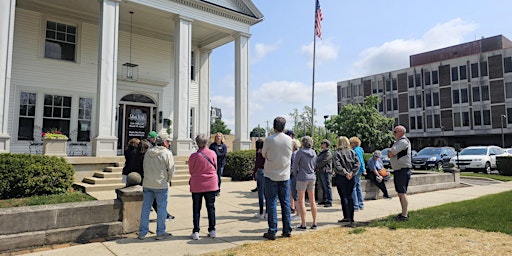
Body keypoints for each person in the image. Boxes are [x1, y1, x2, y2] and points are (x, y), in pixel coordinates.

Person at [261, 117, 293, 240]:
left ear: (274, 126)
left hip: (271, 174)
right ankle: (287, 229)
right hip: (284, 174)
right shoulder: (289, 140)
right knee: (285, 202)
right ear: (284, 127)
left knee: (271, 202)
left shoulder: (269, 139)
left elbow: (263, 154)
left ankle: (272, 230)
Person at [138, 136, 175, 240]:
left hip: (148, 183)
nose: (168, 143)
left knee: (146, 208)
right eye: (168, 141)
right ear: (164, 143)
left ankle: (142, 232)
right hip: (161, 184)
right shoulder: (167, 153)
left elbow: (144, 167)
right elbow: (171, 170)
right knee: (161, 208)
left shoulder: (148, 153)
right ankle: (160, 232)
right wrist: (168, 180)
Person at [188, 134, 219, 240]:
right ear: (207, 142)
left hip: (197, 183)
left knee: (196, 208)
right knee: (211, 207)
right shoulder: (213, 153)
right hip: (211, 183)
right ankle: (212, 230)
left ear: (197, 143)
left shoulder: (193, 156)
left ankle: (196, 231)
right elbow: (216, 167)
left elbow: (191, 171)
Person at [333, 136, 360, 226]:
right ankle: (351, 217)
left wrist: (345, 173)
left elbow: (337, 165)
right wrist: (351, 173)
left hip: (341, 176)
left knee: (343, 196)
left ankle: (346, 216)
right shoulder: (352, 152)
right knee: (350, 196)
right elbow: (357, 164)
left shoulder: (337, 153)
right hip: (351, 176)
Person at [292, 136, 318, 230]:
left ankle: (303, 224)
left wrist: (295, 175)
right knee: (312, 200)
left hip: (302, 177)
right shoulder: (313, 152)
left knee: (301, 201)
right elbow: (315, 164)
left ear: (303, 143)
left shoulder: (300, 152)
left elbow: (295, 166)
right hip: (312, 177)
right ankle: (314, 222)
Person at [388, 125, 412, 221]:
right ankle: (403, 212)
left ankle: (404, 215)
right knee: (400, 192)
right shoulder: (398, 142)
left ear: (401, 132)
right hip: (399, 170)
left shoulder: (403, 142)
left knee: (402, 192)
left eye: (395, 131)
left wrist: (391, 151)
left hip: (403, 170)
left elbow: (391, 152)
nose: (393, 133)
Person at [315, 139, 333, 207]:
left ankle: (329, 200)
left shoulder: (328, 152)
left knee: (327, 186)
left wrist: (317, 166)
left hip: (326, 171)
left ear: (325, 144)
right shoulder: (322, 152)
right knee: (322, 186)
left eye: (322, 143)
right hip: (320, 171)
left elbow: (324, 161)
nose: (321, 144)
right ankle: (324, 199)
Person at [350, 137, 366, 211]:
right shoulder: (359, 150)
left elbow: (359, 161)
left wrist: (363, 169)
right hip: (359, 171)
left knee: (354, 187)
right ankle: (360, 204)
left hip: (356, 170)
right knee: (358, 187)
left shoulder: (355, 150)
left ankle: (356, 205)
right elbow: (362, 161)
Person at [252, 139, 266, 219]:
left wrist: (254, 174)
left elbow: (257, 164)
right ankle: (267, 212)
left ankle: (261, 212)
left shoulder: (258, 153)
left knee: (260, 193)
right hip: (267, 172)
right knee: (267, 193)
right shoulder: (266, 152)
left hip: (260, 172)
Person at [289, 138, 301, 221]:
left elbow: (293, 166)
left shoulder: (293, 154)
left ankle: (298, 213)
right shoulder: (299, 153)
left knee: (295, 194)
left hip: (294, 176)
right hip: (300, 175)